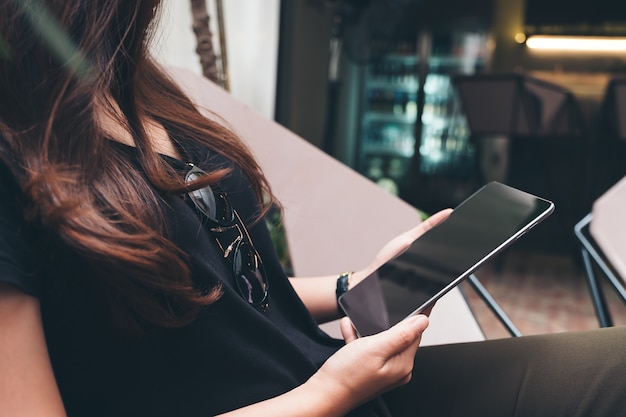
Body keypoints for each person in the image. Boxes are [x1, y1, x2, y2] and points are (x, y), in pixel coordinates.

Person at [1, 1, 626, 416]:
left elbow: (225, 288)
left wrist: (363, 286)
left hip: (324, 376)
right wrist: (331, 393)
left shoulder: (131, 84)